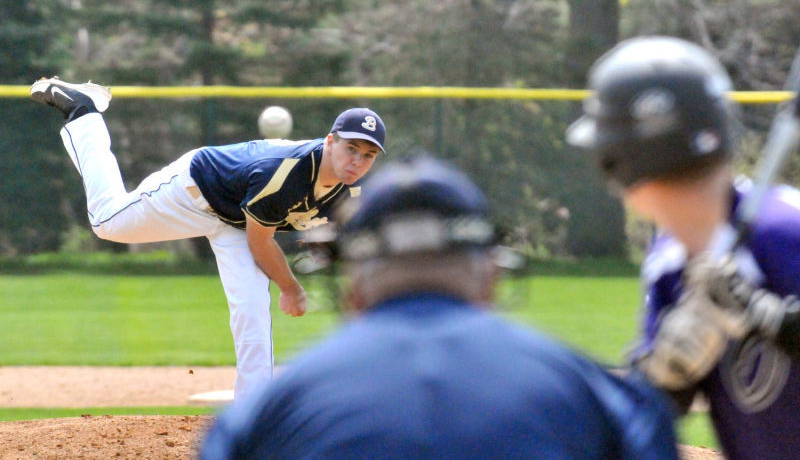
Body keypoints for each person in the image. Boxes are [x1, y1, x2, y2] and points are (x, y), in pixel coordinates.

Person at [200, 154, 679, 459]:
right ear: (491, 275)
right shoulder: (594, 395)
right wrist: (665, 385)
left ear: (352, 288)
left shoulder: (266, 415)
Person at [30, 76, 386, 401]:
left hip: (237, 220)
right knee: (107, 222)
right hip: (195, 190)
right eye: (351, 148)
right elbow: (261, 243)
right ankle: (83, 112)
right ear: (330, 141)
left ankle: (253, 403)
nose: (358, 160)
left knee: (251, 307)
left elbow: (345, 235)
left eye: (368, 155)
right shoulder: (285, 174)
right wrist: (291, 288)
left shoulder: (355, 192)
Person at [567, 35, 800, 459]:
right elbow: (649, 417)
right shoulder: (671, 264)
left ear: (621, 163)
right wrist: (667, 377)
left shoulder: (785, 230)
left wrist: (769, 318)